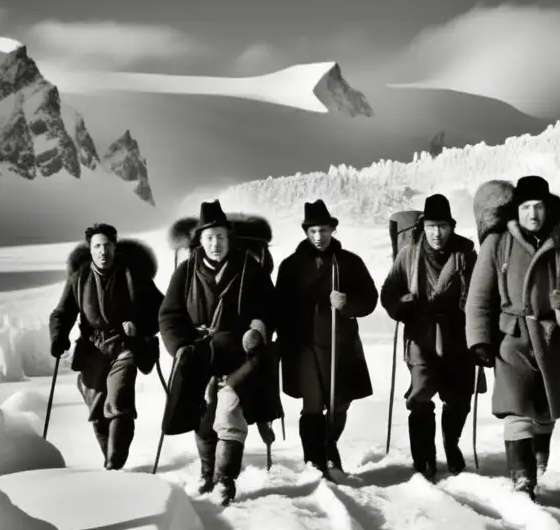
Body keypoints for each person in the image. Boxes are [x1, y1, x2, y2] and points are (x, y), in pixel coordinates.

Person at [465, 176, 560, 498]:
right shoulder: (497, 243)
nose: (533, 213)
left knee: (544, 412)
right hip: (511, 337)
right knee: (516, 409)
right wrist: (479, 340)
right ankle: (522, 479)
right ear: (516, 210)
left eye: (538, 206)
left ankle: (539, 461)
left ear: (547, 208)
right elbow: (479, 297)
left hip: (551, 335)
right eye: (525, 207)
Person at [158, 200, 280, 505]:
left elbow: (270, 308)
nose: (216, 244)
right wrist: (180, 346)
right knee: (203, 418)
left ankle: (225, 480)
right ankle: (207, 472)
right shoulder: (186, 273)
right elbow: (169, 316)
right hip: (199, 356)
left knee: (228, 411)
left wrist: (258, 328)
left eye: (221, 237)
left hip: (239, 357)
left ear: (230, 238)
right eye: (209, 238)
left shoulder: (250, 270)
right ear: (200, 240)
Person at [380, 193, 484, 479]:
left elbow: (482, 295)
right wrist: (401, 305)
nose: (436, 233)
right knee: (421, 395)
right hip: (420, 333)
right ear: (423, 227)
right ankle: (424, 457)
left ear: (451, 227)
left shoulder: (466, 256)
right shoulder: (409, 255)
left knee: (459, 398)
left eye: (442, 226)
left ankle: (452, 446)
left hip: (458, 336)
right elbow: (388, 292)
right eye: (430, 227)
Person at [274, 199, 378, 479]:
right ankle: (316, 460)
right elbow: (278, 307)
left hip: (340, 345)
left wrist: (347, 303)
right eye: (313, 232)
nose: (318, 237)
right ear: (306, 233)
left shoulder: (349, 262)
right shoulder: (290, 266)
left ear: (332, 230)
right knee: (312, 403)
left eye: (323, 230)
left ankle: (329, 444)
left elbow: (370, 300)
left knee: (339, 402)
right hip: (303, 346)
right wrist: (280, 343)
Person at [49, 223, 163, 470]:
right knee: (98, 410)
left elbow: (161, 310)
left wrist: (140, 327)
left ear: (115, 247)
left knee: (119, 402)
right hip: (92, 350)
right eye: (97, 246)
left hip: (126, 346)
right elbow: (63, 312)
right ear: (90, 250)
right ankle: (110, 463)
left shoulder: (134, 275)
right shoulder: (79, 278)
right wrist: (58, 337)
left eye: (108, 245)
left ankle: (114, 464)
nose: (103, 251)